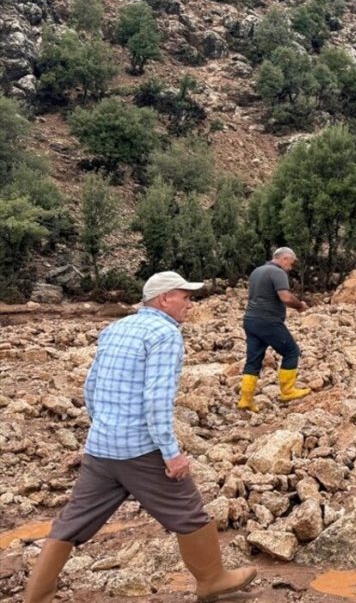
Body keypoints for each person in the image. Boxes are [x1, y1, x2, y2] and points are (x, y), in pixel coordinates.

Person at [23, 272, 257, 603]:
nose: (190, 304)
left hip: (101, 447)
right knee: (189, 510)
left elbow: (91, 388)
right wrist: (172, 453)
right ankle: (212, 580)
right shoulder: (165, 335)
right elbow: (156, 401)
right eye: (184, 296)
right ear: (164, 299)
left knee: (72, 522)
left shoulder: (115, 328)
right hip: (140, 449)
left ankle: (36, 597)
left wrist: (104, 425)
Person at [237, 247, 310, 412]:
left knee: (253, 359)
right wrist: (300, 306)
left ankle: (246, 399)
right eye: (290, 263)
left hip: (250, 320)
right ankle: (288, 391)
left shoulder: (257, 271)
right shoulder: (278, 272)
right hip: (268, 321)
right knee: (291, 351)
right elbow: (285, 297)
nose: (290, 268)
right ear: (284, 259)